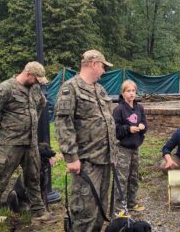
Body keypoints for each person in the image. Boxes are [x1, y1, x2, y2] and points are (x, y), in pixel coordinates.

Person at [0, 61, 59, 232]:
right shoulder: (5, 89)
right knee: (0, 180)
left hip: (30, 144)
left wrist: (30, 125)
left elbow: (41, 104)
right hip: (10, 144)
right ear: (28, 74)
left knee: (33, 178)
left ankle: (38, 211)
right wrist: (7, 130)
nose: (39, 82)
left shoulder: (35, 89)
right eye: (37, 79)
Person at [54, 49, 118, 232]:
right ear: (94, 64)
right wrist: (71, 157)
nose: (104, 71)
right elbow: (63, 123)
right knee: (84, 211)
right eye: (103, 67)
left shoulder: (100, 89)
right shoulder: (70, 88)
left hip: (105, 159)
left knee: (101, 209)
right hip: (86, 162)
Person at [112, 80, 147, 216]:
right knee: (121, 178)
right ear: (123, 93)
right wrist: (128, 129)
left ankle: (132, 203)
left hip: (135, 148)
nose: (131, 93)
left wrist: (143, 127)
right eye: (128, 91)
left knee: (134, 177)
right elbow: (115, 129)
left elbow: (144, 123)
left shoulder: (140, 108)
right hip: (123, 149)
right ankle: (119, 209)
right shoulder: (119, 109)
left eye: (133, 91)